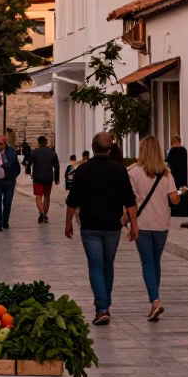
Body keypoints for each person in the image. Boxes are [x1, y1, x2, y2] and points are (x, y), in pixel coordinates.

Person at [65, 131, 138, 325]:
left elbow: (72, 201)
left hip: (90, 225)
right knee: (108, 264)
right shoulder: (119, 170)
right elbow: (130, 201)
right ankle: (105, 304)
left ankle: (102, 307)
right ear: (110, 148)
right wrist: (135, 225)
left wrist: (68, 224)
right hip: (113, 226)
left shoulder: (82, 170)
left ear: (93, 147)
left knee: (96, 265)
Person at [128, 136, 180, 321]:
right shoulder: (166, 173)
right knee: (155, 261)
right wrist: (179, 194)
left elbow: (131, 201)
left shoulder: (133, 173)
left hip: (142, 223)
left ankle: (155, 300)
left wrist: (129, 222)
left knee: (147, 262)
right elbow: (174, 199)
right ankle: (154, 301)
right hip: (161, 223)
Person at [31, 134, 60, 223]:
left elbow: (28, 163)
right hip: (48, 177)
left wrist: (29, 172)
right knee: (47, 196)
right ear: (46, 142)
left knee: (38, 196)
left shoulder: (35, 152)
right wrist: (57, 179)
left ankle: (41, 212)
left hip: (38, 178)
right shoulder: (52, 153)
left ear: (38, 143)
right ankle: (46, 215)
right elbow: (57, 166)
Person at [166, 134, 188, 218]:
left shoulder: (172, 152)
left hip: (174, 180)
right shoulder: (184, 151)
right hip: (183, 180)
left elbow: (168, 164)